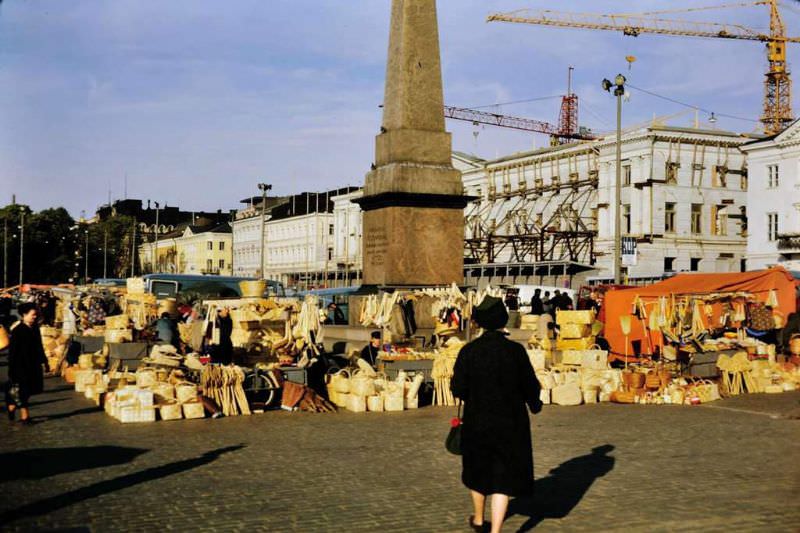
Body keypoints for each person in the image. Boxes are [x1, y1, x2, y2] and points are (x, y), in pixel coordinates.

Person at [451, 296, 542, 533]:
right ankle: (496, 530)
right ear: (503, 320)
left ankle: (480, 520)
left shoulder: (469, 351)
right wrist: (534, 404)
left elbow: (458, 388)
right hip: (510, 423)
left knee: (477, 471)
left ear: (480, 322)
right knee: (503, 478)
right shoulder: (515, 351)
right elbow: (530, 384)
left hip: (477, 421)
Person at [5, 303, 49, 423]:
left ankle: (11, 405)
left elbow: (39, 346)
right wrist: (12, 369)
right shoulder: (18, 331)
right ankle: (25, 417)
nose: (35, 317)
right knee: (23, 390)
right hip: (20, 365)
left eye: (36, 315)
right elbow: (13, 352)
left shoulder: (35, 328)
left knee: (30, 389)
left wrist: (44, 361)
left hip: (33, 365)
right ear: (24, 315)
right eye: (33, 314)